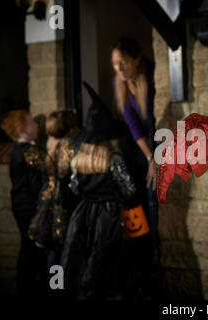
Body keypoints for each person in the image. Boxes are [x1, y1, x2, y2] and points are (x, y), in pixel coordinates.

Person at [60, 83, 139, 299]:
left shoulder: (78, 159)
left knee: (85, 255)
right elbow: (129, 189)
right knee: (108, 259)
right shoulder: (113, 158)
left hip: (84, 213)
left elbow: (74, 187)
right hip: (111, 215)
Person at [110, 37, 162, 296]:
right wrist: (149, 157)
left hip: (159, 142)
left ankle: (156, 255)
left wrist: (156, 158)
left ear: (136, 60)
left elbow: (154, 122)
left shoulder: (151, 78)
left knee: (154, 198)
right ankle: (141, 258)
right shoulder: (118, 83)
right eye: (114, 65)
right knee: (135, 199)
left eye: (123, 63)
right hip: (141, 150)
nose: (118, 69)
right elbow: (133, 125)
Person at [0, 109, 48, 298]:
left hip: (20, 205)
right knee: (38, 249)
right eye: (32, 123)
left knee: (30, 249)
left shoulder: (17, 152)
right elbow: (38, 184)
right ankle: (50, 287)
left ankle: (29, 289)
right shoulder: (30, 153)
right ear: (22, 130)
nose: (36, 125)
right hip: (32, 208)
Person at [28, 109, 80, 274]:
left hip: (51, 205)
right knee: (63, 248)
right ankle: (59, 287)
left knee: (54, 248)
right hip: (64, 205)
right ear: (71, 129)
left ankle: (54, 287)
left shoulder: (50, 149)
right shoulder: (71, 149)